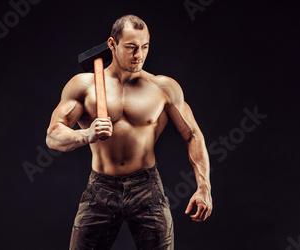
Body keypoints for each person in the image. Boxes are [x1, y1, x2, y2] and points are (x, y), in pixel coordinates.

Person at [46, 14, 212, 250]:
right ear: (112, 44)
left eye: (144, 47)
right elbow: (53, 135)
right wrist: (87, 134)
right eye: (131, 47)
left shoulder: (163, 88)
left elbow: (193, 135)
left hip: (146, 188)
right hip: (101, 189)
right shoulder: (85, 85)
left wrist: (204, 188)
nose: (139, 55)